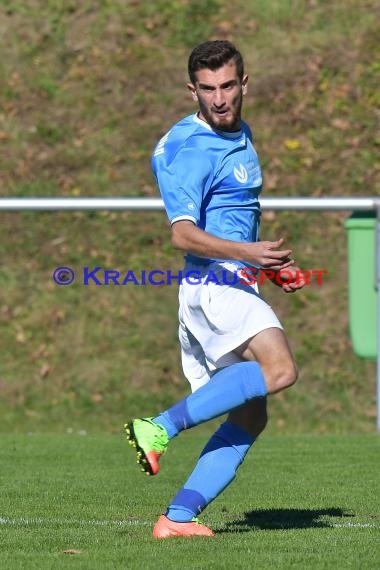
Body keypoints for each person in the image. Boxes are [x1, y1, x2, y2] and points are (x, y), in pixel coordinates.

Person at [124, 40, 306, 539]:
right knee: (280, 368)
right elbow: (181, 233)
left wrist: (266, 266)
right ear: (192, 91)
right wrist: (251, 256)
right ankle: (159, 426)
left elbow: (230, 220)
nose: (220, 98)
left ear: (244, 84)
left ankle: (176, 519)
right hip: (213, 284)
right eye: (208, 90)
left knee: (251, 415)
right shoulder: (187, 148)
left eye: (227, 86)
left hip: (232, 280)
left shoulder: (238, 133)